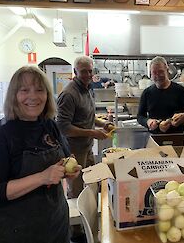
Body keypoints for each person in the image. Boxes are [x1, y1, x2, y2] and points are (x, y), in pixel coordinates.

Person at [0, 66, 81, 243]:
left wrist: (71, 169)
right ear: (14, 95)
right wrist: (43, 177)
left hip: (56, 224)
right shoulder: (3, 134)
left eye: (39, 90)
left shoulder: (49, 125)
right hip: (20, 231)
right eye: (24, 90)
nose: (33, 96)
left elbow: (68, 157)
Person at [56, 56, 111, 241]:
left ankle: (90, 222)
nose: (88, 74)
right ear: (75, 72)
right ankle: (77, 233)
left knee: (91, 184)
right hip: (73, 150)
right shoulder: (69, 94)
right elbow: (63, 127)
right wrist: (93, 133)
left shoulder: (87, 90)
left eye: (90, 71)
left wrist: (102, 123)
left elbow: (88, 115)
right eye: (84, 71)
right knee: (76, 189)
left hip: (86, 146)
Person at [137, 56, 184, 134]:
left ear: (167, 70)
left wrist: (172, 121)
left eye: (161, 71)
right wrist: (148, 122)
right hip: (154, 138)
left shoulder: (180, 91)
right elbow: (140, 116)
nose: (158, 75)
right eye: (154, 73)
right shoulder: (147, 93)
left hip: (176, 137)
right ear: (151, 74)